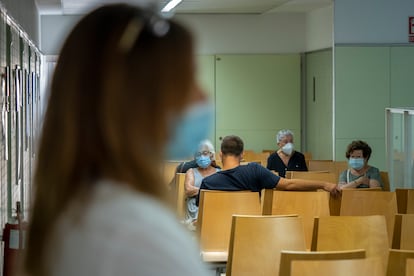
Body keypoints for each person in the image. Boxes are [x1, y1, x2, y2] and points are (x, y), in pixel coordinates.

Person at [23, 4, 211, 276]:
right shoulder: (136, 235)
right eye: (188, 81)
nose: (203, 98)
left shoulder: (89, 210)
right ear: (136, 101)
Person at [198, 135, 340, 204]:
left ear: (220, 154)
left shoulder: (208, 183)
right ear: (242, 154)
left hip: (217, 236)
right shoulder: (255, 170)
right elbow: (289, 184)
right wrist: (324, 184)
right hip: (250, 233)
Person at [184, 139, 220, 226]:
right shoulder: (191, 171)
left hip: (214, 208)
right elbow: (188, 190)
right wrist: (210, 192)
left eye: (205, 153)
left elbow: (222, 193)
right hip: (195, 210)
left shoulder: (219, 172)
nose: (201, 157)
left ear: (211, 155)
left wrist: (198, 191)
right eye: (198, 154)